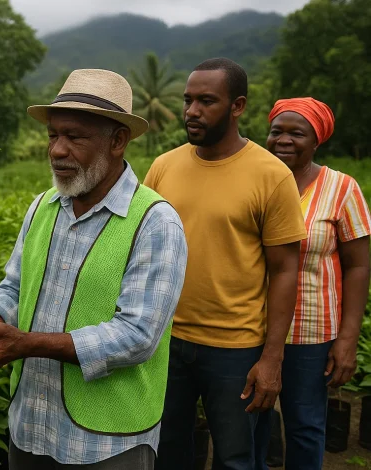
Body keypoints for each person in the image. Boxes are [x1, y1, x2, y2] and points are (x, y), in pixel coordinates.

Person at [0, 69, 188, 469]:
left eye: (74, 136)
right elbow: (14, 288)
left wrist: (25, 343)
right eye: (53, 135)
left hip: (108, 442)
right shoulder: (43, 206)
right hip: (30, 423)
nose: (57, 150)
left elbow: (137, 336)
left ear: (118, 141)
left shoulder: (155, 222)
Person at [143, 57, 307, 470]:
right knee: (166, 451)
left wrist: (272, 359)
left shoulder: (271, 175)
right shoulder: (164, 166)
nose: (192, 111)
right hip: (166, 340)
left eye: (206, 101)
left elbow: (286, 271)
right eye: (187, 101)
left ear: (237, 106)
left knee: (236, 459)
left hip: (236, 348)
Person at [256, 97, 370, 469]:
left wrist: (348, 339)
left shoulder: (342, 188)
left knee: (305, 425)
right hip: (250, 325)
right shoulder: (255, 180)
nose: (283, 140)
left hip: (311, 331)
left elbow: (357, 267)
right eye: (277, 132)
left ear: (316, 140)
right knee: (252, 422)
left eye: (296, 133)